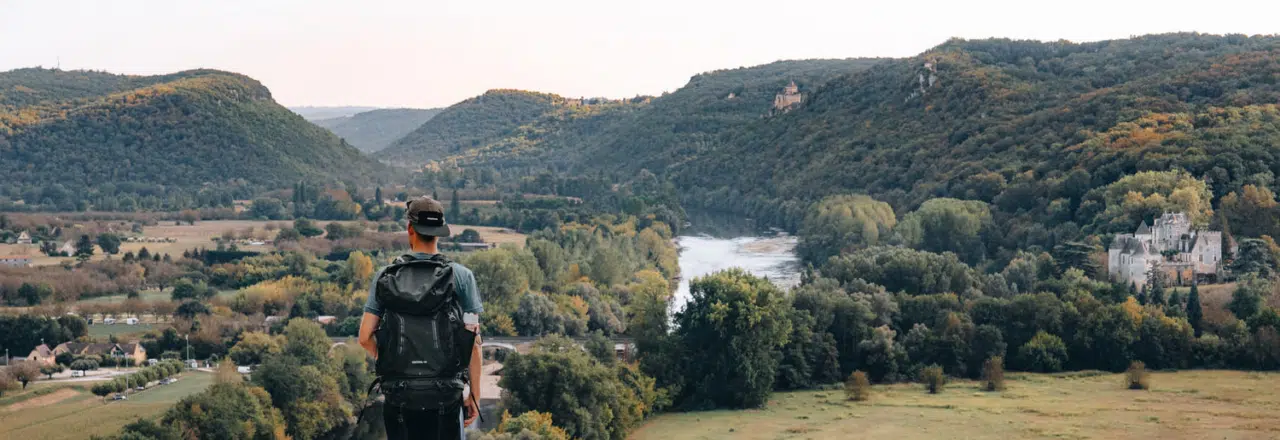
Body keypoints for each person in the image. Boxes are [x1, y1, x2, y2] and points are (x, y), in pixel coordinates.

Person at [359, 196, 484, 439]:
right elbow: (474, 344)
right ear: (440, 231)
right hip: (445, 397)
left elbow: (364, 337)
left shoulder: (385, 276)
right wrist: (475, 397)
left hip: (399, 396)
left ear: (410, 228)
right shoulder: (461, 277)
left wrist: (394, 362)